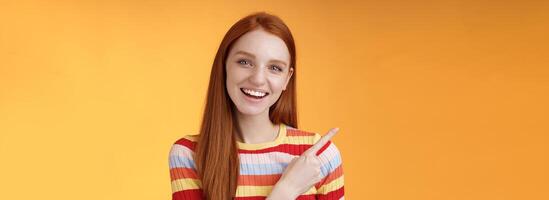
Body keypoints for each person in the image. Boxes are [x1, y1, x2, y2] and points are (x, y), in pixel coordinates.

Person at [168, 12, 344, 199]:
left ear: (287, 79)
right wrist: (287, 189)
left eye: (275, 68)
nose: (258, 79)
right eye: (245, 62)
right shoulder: (188, 155)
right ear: (224, 66)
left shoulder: (319, 154)